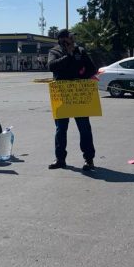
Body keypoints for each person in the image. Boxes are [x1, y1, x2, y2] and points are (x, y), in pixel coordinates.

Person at [47, 29, 97, 171]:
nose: (71, 41)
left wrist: (82, 74)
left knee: (84, 128)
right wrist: (68, 56)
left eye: (71, 39)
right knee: (60, 129)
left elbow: (92, 69)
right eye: (68, 39)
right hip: (62, 95)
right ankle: (60, 159)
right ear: (61, 40)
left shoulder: (80, 51)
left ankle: (89, 159)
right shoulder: (54, 52)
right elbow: (52, 66)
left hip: (78, 94)